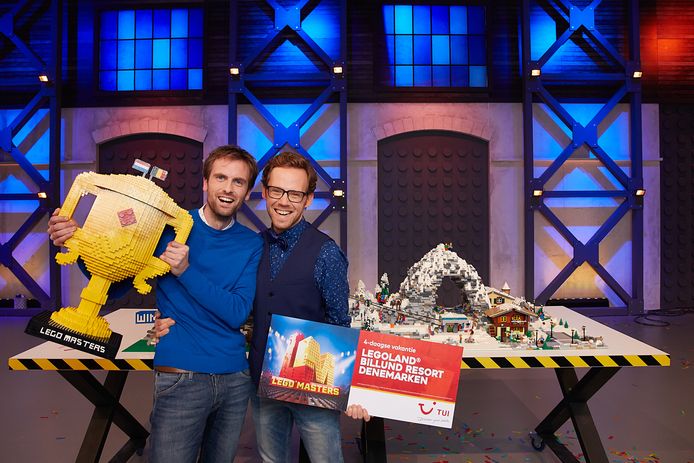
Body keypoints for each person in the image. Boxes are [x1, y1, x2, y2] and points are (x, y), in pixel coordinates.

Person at [48, 145, 263, 463]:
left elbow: (236, 312)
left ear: (247, 191)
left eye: (238, 181)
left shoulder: (252, 243)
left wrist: (185, 271)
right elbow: (115, 286)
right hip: (180, 375)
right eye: (221, 178)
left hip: (235, 379)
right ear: (205, 182)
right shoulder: (167, 227)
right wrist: (75, 243)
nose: (228, 188)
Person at [156, 151, 369, 463]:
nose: (284, 201)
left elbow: (340, 322)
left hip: (315, 386)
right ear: (265, 194)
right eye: (277, 191)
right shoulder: (254, 245)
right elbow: (240, 305)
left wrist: (355, 389)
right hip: (263, 381)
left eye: (295, 194)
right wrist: (168, 315)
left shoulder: (326, 253)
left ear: (308, 199)